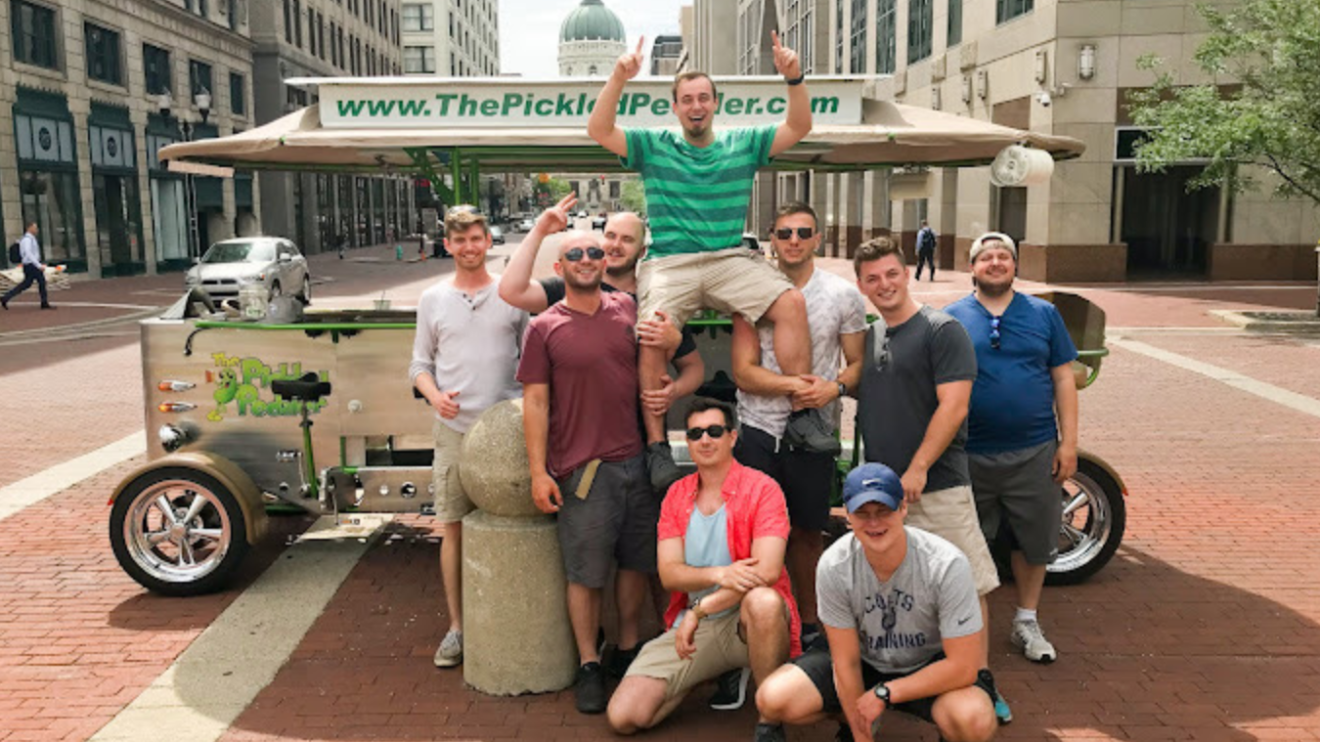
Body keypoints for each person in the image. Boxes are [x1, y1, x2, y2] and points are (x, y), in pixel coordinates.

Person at [587, 32, 838, 475]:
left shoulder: (743, 142)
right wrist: (619, 77)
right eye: (687, 99)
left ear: (716, 104)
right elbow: (599, 130)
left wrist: (794, 77)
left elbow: (798, 127)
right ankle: (657, 446)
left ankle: (802, 415)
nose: (696, 106)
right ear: (676, 107)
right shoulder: (654, 146)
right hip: (670, 261)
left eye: (704, 97)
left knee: (791, 302)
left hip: (728, 258)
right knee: (651, 332)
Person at [851, 236, 1012, 724]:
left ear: (907, 272)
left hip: (936, 484)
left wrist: (918, 467)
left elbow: (954, 405)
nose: (884, 285)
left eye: (892, 274)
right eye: (872, 279)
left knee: (968, 583)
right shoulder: (873, 334)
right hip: (885, 495)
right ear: (862, 285)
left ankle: (981, 680)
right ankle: (924, 679)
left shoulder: (942, 331)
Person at [754, 463, 999, 742]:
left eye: (884, 511)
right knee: (773, 699)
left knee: (975, 720)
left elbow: (964, 666)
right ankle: (857, 719)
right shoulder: (834, 565)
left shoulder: (946, 564)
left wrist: (887, 692)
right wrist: (862, 735)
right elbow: (845, 662)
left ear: (903, 508)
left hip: (928, 664)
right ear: (848, 515)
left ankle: (920, 719)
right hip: (865, 660)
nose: (874, 523)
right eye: (862, 513)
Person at [517, 230, 657, 714]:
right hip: (582, 470)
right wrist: (539, 472)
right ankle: (589, 662)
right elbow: (534, 402)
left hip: (635, 462)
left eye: (594, 252)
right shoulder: (544, 327)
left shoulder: (629, 310)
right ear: (559, 268)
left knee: (638, 562)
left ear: (605, 261)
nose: (586, 259)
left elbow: (671, 354)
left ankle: (628, 647)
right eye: (574, 254)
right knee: (586, 573)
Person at [606, 398, 800, 742]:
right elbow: (669, 574)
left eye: (714, 431)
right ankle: (710, 670)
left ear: (732, 437)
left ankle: (769, 720)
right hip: (699, 628)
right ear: (687, 442)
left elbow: (767, 572)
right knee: (624, 716)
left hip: (748, 622)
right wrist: (717, 575)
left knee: (764, 602)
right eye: (695, 433)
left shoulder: (763, 489)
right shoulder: (676, 496)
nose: (705, 440)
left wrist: (702, 608)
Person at [499, 194, 707, 493]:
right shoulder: (572, 285)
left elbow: (694, 369)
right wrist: (541, 229)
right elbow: (511, 290)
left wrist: (674, 390)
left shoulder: (656, 301)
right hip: (584, 454)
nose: (615, 245)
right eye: (610, 236)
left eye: (627, 239)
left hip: (647, 456)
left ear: (641, 250)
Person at [730, 202, 866, 655]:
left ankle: (808, 622)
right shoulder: (751, 292)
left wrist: (834, 388)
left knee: (808, 533)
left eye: (802, 232)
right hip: (757, 430)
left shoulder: (843, 295)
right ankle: (755, 625)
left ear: (817, 238)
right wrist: (794, 384)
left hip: (815, 431)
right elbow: (743, 372)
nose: (793, 240)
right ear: (772, 237)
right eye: (784, 233)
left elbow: (858, 365)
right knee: (756, 536)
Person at [944, 232, 1079, 665]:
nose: (996, 262)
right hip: (968, 452)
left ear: (1015, 266)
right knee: (965, 542)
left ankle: (1026, 619)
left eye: (1004, 256)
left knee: (1033, 540)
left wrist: (1069, 443)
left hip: (1034, 448)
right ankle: (963, 624)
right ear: (973, 268)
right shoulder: (950, 319)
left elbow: (1063, 378)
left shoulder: (1045, 315)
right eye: (987, 257)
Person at [409, 207, 528, 670]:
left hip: (508, 430)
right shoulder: (432, 299)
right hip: (455, 430)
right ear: (448, 245)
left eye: (477, 238)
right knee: (453, 526)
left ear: (487, 241)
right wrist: (435, 396)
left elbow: (532, 355)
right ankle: (458, 627)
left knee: (515, 524)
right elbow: (419, 364)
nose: (470, 247)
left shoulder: (512, 293)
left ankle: (511, 616)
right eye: (460, 241)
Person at [2, 222, 53, 310]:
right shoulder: (27, 240)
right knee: (41, 281)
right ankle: (44, 303)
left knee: (27, 283)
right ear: (29, 228)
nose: (36, 230)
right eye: (35, 228)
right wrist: (38, 265)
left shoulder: (31, 239)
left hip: (31, 264)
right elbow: (28, 253)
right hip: (31, 264)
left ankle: (6, 297)